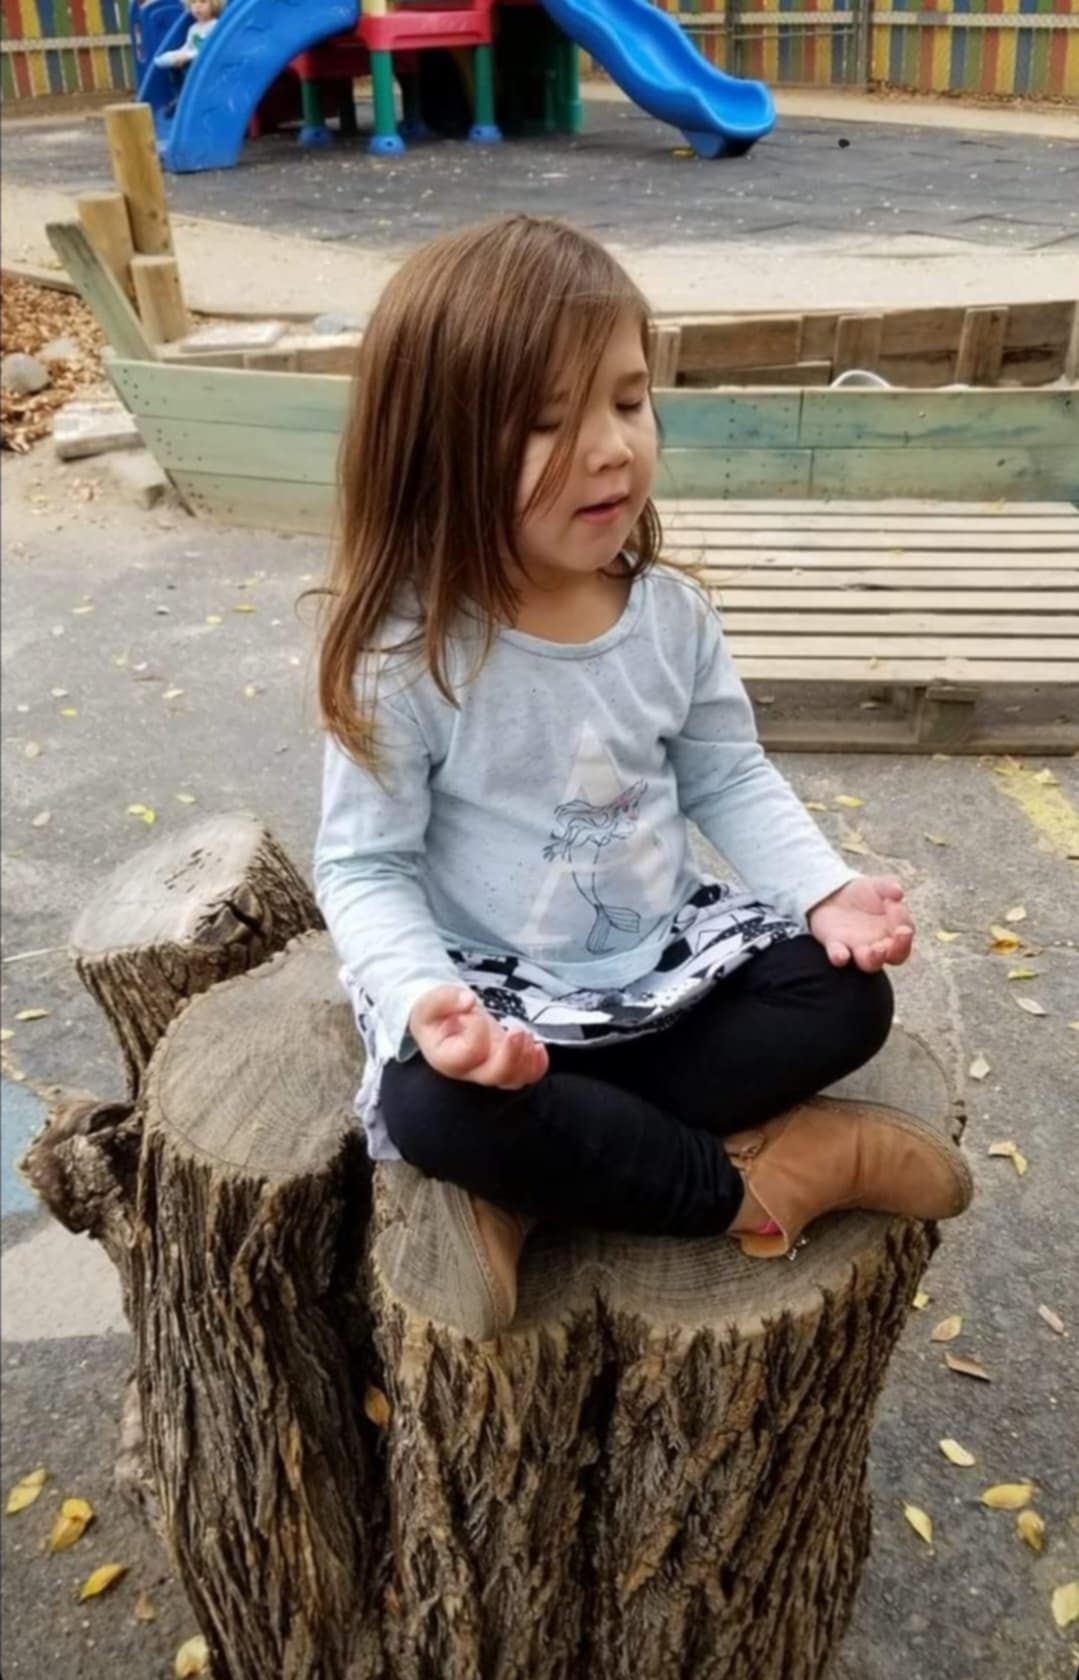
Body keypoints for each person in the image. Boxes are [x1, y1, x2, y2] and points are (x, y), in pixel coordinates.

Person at [312, 216, 972, 1341]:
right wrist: (429, 1005)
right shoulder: (402, 657)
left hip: (664, 973)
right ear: (433, 449)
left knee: (843, 994)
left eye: (626, 399)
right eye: (542, 424)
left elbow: (727, 775)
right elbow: (364, 864)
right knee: (434, 1110)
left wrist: (821, 892)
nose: (610, 446)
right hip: (500, 1005)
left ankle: (539, 1179)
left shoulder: (669, 617)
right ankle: (757, 1181)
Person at [153, 0, 220, 73]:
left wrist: (187, 56)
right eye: (193, 2)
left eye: (203, 1)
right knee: (171, 57)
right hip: (192, 66)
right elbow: (188, 45)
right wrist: (179, 54)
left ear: (214, 5)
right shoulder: (193, 28)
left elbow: (208, 50)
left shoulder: (215, 25)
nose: (197, 6)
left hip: (206, 67)